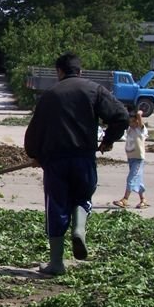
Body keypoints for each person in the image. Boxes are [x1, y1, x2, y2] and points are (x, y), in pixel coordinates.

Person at [24, 52, 128, 276]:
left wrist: (34, 153)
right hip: (84, 157)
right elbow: (121, 116)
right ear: (80, 71)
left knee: (57, 207)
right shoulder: (95, 90)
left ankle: (56, 263)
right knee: (82, 197)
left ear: (59, 72)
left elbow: (35, 130)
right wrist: (108, 140)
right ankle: (79, 230)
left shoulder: (50, 95)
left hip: (56, 161)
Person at [113, 110, 149, 209]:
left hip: (138, 159)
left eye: (133, 121)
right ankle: (143, 200)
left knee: (131, 178)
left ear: (137, 121)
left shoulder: (140, 130)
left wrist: (139, 115)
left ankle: (125, 199)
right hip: (131, 158)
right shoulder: (130, 130)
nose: (131, 124)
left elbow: (141, 124)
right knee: (138, 179)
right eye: (130, 122)